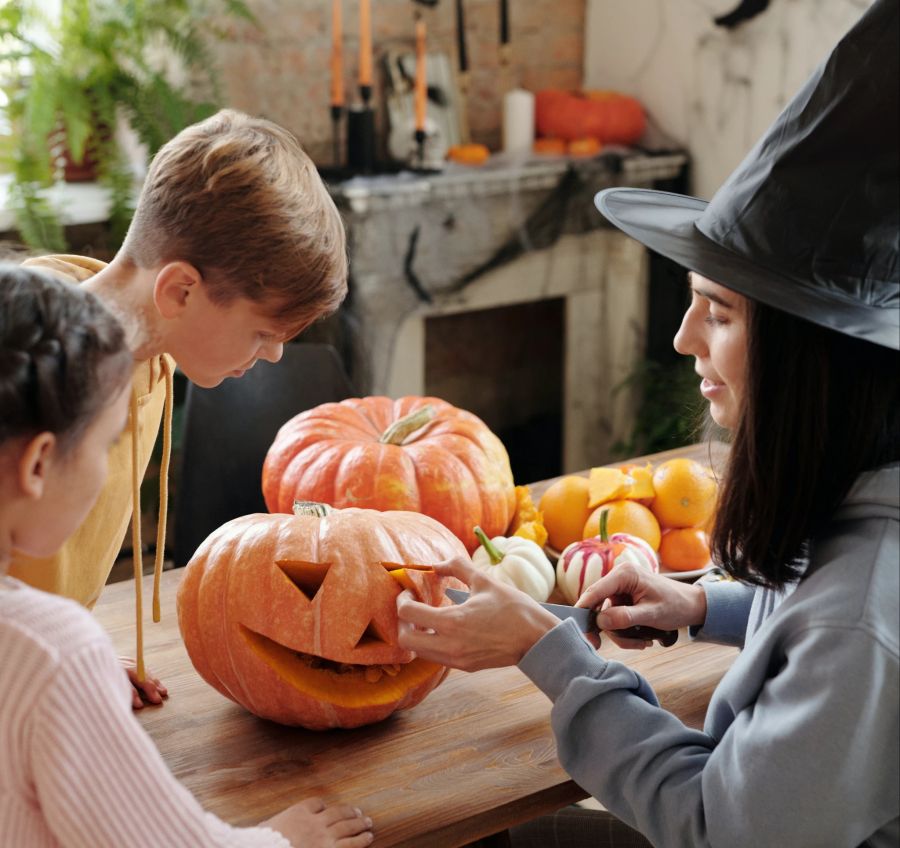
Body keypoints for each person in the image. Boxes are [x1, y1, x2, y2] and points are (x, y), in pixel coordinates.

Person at [396, 1, 899, 846]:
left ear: (813, 360)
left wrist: (550, 655)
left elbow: (715, 826)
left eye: (719, 313)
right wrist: (704, 605)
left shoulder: (865, 614)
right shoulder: (866, 490)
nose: (681, 338)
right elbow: (819, 621)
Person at [0, 265, 372, 848]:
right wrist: (284, 841)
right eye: (107, 445)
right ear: (39, 465)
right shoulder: (52, 652)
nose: (108, 471)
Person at [8, 108, 348, 707]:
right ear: (180, 291)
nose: (272, 356)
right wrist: (50, 663)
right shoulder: (24, 363)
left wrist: (71, 649)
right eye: (263, 332)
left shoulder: (151, 360)